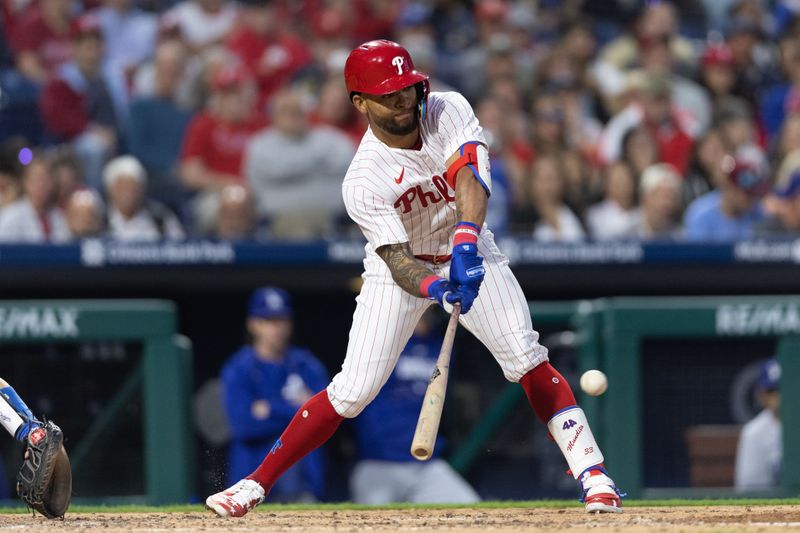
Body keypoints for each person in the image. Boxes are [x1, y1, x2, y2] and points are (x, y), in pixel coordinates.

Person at [206, 39, 623, 517]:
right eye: (389, 94)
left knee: (525, 355)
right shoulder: (362, 179)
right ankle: (254, 485)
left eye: (407, 88)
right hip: (401, 271)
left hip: (468, 245)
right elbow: (398, 261)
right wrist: (436, 287)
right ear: (360, 103)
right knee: (352, 390)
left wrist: (466, 242)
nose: (404, 100)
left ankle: (594, 476)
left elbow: (470, 180)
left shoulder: (446, 109)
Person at [350, 309, 480, 504]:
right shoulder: (383, 344)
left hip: (426, 464)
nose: (426, 312)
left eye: (431, 307)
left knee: (472, 510)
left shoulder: (441, 346)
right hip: (378, 462)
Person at [220, 287, 329, 502]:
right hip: (250, 482)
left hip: (303, 482)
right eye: (268, 320)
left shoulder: (307, 365)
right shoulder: (239, 368)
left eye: (282, 320)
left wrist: (269, 409)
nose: (276, 328)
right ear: (253, 324)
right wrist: (300, 411)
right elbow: (243, 425)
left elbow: (325, 420)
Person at [735, 358, 781, 491]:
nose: (780, 396)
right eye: (772, 391)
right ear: (761, 395)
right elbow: (751, 492)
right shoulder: (754, 433)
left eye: (785, 388)